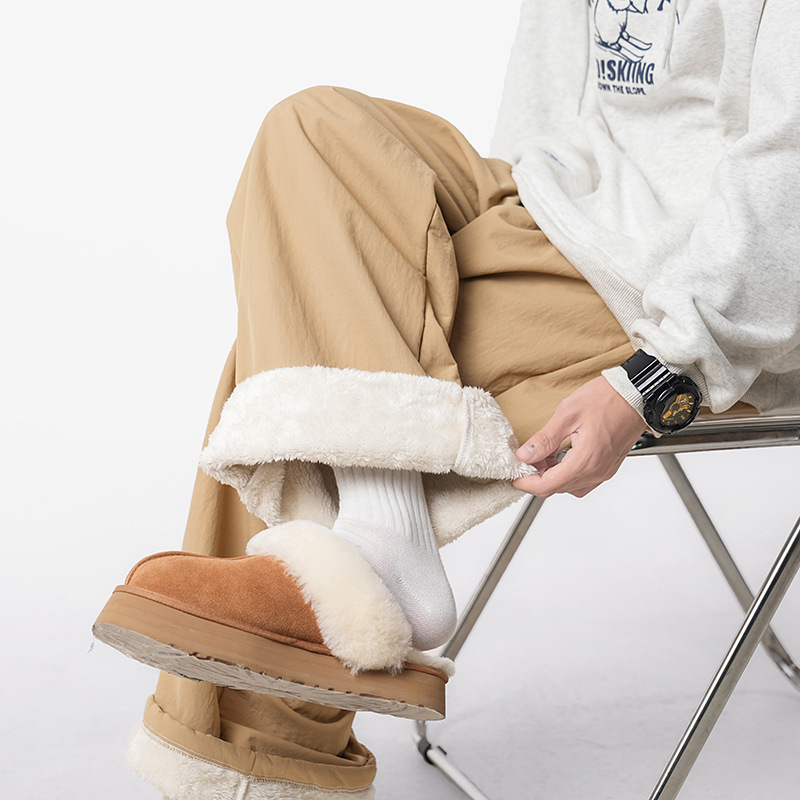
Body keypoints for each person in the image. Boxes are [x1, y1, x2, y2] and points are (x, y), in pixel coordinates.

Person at [93, 1, 800, 798]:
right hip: (545, 208)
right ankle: (382, 542)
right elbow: (545, 103)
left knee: (297, 345)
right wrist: (478, 243)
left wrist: (663, 372)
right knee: (312, 129)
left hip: (689, 280)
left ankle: (263, 763)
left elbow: (791, 168)